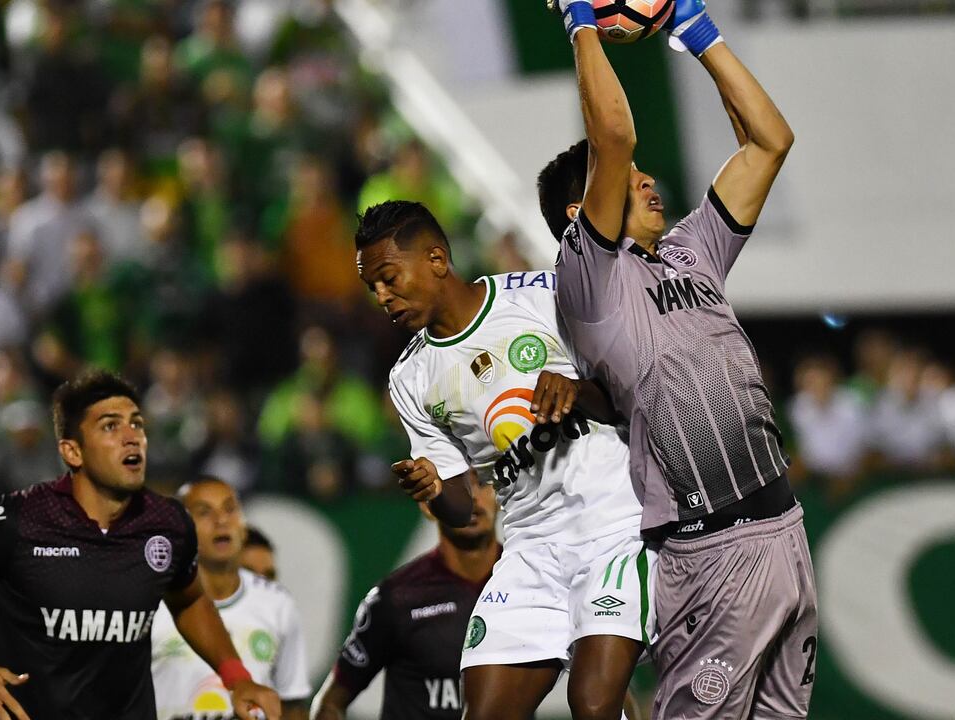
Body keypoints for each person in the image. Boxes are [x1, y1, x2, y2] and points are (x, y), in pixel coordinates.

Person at [541, 1, 816, 717]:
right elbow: (612, 135)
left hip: (784, 529)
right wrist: (582, 20)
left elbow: (770, 141)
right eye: (629, 179)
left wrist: (696, 29)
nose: (646, 179)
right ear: (579, 215)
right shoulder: (588, 282)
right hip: (711, 552)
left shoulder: (693, 250)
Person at [354, 201, 652, 719]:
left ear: (436, 259)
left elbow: (637, 393)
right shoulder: (410, 378)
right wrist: (434, 490)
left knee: (593, 704)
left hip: (615, 527)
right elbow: (461, 508)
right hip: (530, 548)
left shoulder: (541, 295)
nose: (382, 296)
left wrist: (578, 390)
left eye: (388, 278)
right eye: (372, 287)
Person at [0, 370, 280, 720]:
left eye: (137, 424)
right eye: (110, 426)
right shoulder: (14, 520)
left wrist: (237, 678)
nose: (132, 436)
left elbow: (190, 599)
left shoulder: (169, 524)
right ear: (72, 451)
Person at [311, 474, 501, 720]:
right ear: (428, 506)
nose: (472, 497)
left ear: (502, 495)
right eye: (455, 485)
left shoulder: (532, 585)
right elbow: (331, 702)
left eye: (483, 483)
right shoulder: (395, 599)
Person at [151, 477, 310, 720]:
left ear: (244, 528)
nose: (221, 520)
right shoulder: (151, 601)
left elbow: (292, 705)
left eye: (230, 509)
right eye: (204, 512)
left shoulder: (277, 604)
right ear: (179, 529)